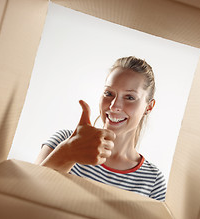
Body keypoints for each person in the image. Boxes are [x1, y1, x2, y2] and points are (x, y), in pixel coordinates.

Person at [35, 56, 166, 201]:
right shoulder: (64, 140)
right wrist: (68, 153)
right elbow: (25, 198)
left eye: (129, 97)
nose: (114, 106)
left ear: (149, 106)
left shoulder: (153, 181)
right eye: (109, 93)